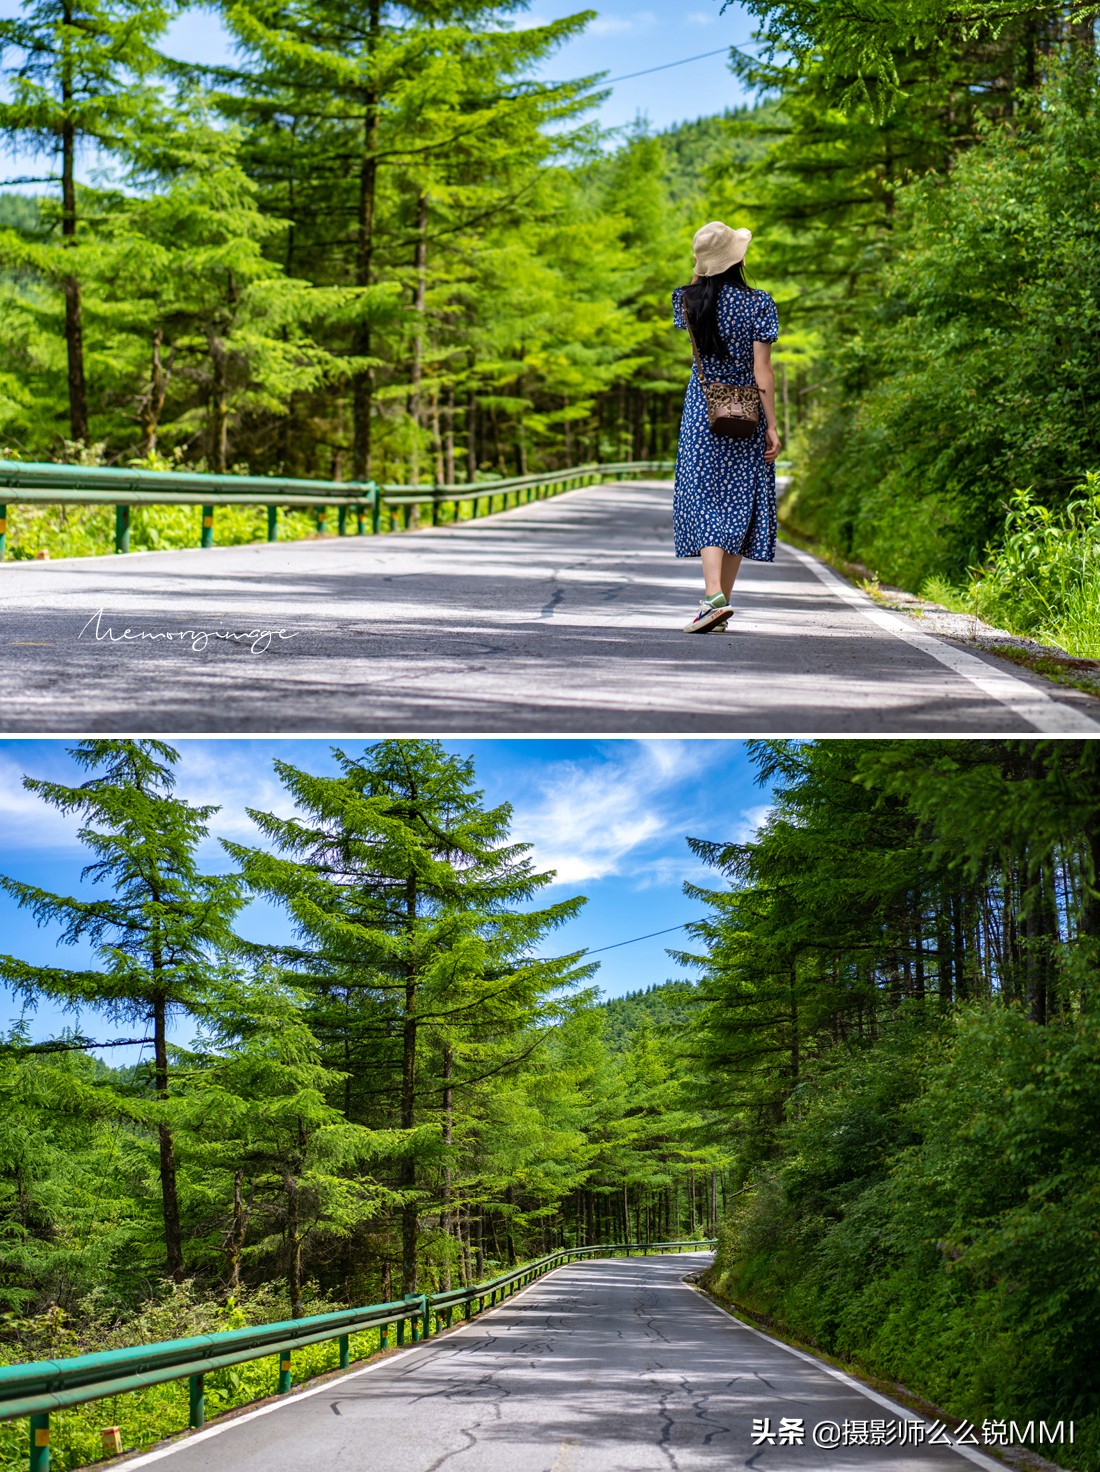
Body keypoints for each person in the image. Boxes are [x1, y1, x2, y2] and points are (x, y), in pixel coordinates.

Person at [671, 221, 781, 633]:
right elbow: (762, 370)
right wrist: (772, 426)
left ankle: (714, 600)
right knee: (738, 503)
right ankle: (717, 601)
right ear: (738, 259)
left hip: (704, 411)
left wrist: (701, 272)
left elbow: (700, 297)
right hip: (746, 413)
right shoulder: (759, 303)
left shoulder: (685, 300)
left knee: (704, 500)